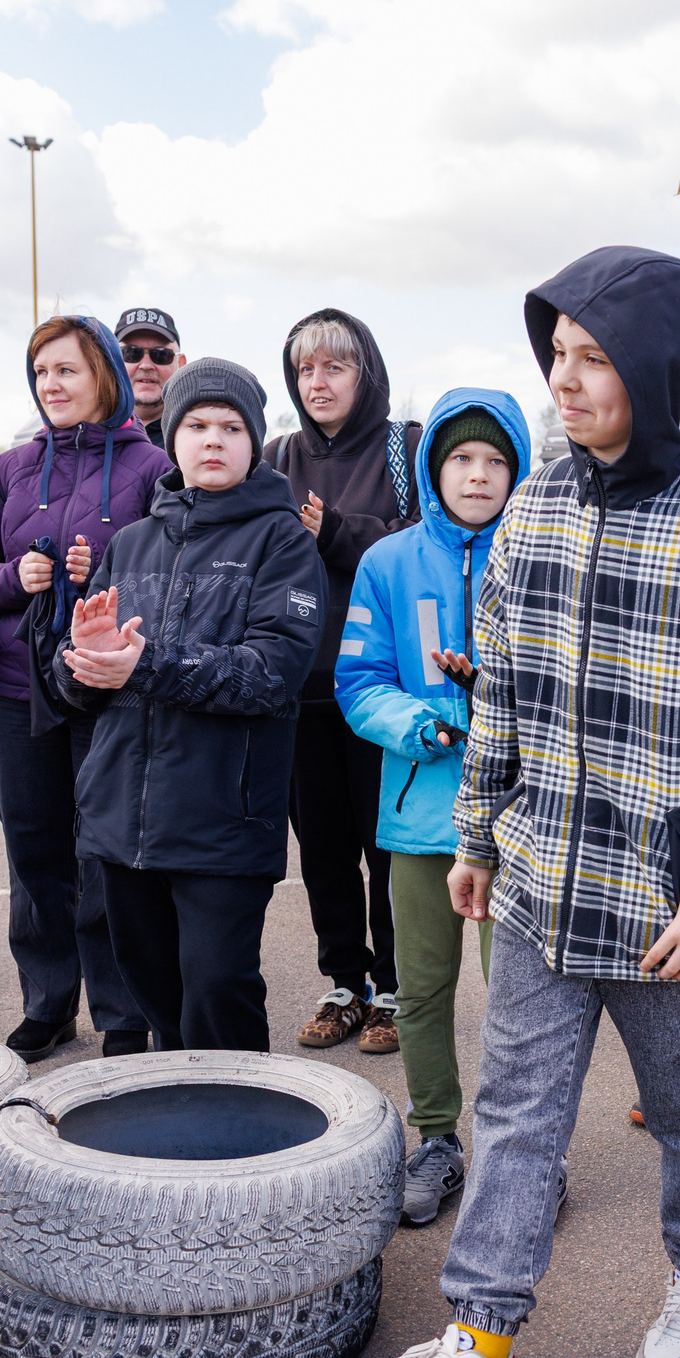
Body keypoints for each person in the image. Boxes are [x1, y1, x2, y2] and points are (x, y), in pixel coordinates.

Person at [333, 247, 680, 1358]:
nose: (564, 380)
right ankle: (481, 1346)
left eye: (592, 357)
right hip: (542, 884)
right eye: (556, 355)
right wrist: (477, 836)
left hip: (671, 913)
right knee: (514, 1111)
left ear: (656, 370)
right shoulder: (538, 504)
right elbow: (499, 688)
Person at [55, 359, 325, 1052]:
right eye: (198, 424)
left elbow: (271, 674)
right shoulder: (131, 542)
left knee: (217, 990)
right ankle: (180, 1134)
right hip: (122, 822)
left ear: (254, 441)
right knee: (155, 993)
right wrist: (81, 661)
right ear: (171, 439)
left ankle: (246, 1138)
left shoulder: (283, 540)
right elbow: (75, 687)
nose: (214, 439)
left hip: (222, 824)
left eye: (232, 427)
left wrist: (146, 665)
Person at [0, 316, 171, 1061]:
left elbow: (172, 574)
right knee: (33, 851)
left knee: (105, 854)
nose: (52, 384)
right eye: (41, 371)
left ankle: (121, 1012)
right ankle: (46, 1002)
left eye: (67, 370)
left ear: (104, 374)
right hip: (13, 692)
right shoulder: (12, 468)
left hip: (103, 690)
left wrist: (98, 578)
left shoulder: (152, 467)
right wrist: (16, 578)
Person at [336, 388, 532, 1226]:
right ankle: (440, 1137)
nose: (478, 474)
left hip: (524, 819)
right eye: (461, 458)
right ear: (432, 469)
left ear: (518, 471)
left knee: (522, 1000)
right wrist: (421, 724)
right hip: (420, 818)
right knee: (420, 988)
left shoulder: (543, 553)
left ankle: (528, 1150)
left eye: (495, 460)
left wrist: (496, 702)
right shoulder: (387, 562)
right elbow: (357, 680)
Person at [265, 309, 420, 1053]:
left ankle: (397, 988)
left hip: (384, 689)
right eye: (305, 369)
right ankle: (344, 983)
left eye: (335, 367)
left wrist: (336, 532)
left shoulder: (406, 449)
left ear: (368, 373)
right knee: (322, 847)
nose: (318, 383)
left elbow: (427, 540)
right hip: (300, 688)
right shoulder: (275, 455)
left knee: (385, 843)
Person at [114, 308, 187, 449]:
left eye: (160, 354)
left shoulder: (197, 439)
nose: (146, 365)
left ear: (180, 364)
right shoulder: (85, 433)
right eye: (131, 353)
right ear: (112, 360)